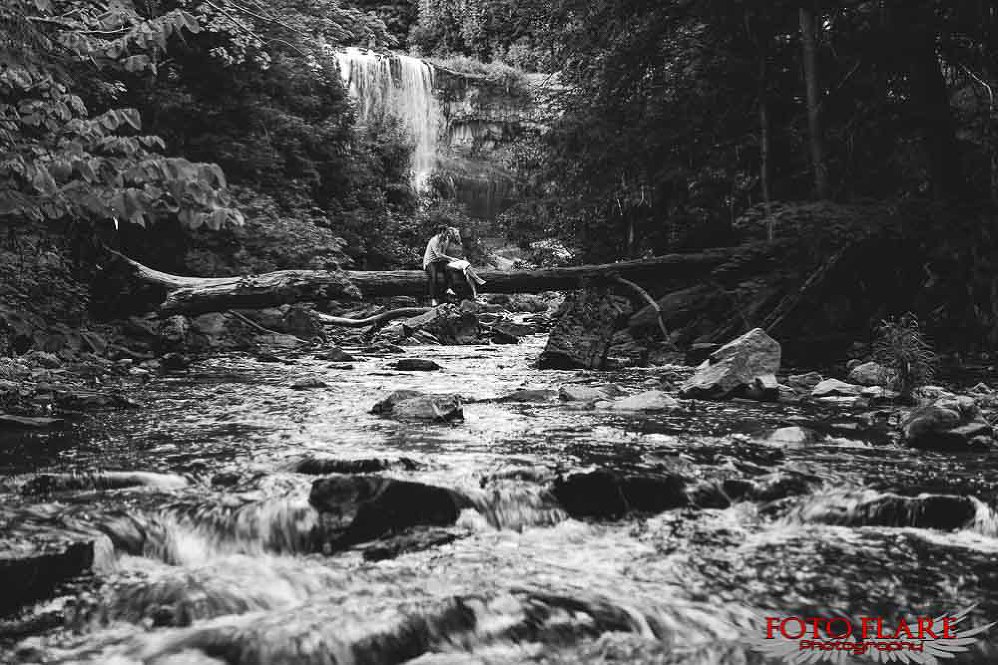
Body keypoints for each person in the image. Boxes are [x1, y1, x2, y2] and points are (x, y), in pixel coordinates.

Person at [423, 226, 486, 305]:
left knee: (450, 270)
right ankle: (433, 299)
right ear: (442, 232)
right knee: (433, 277)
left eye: (448, 234)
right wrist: (451, 258)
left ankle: (449, 289)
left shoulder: (445, 240)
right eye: (446, 233)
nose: (448, 235)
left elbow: (445, 254)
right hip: (430, 262)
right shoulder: (434, 240)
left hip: (440, 261)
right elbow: (438, 254)